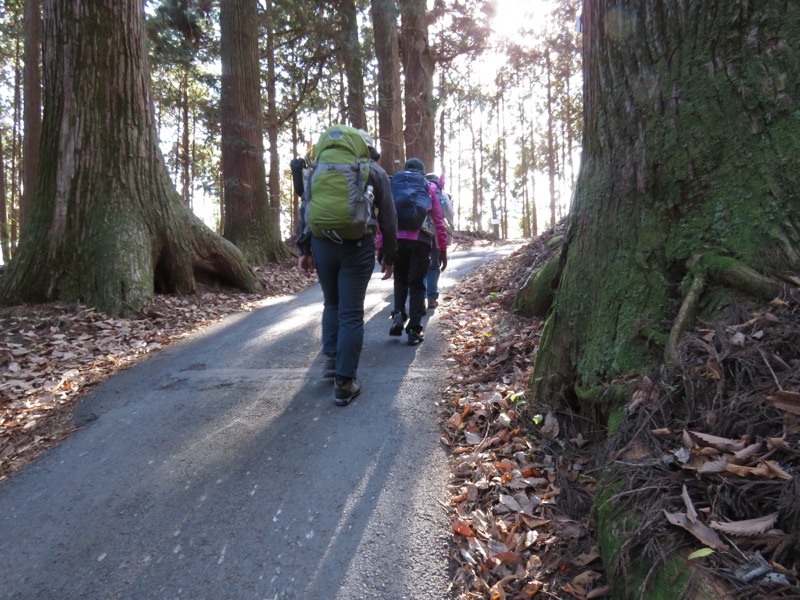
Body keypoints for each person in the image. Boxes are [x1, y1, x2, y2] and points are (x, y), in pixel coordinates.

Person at [295, 127, 397, 406]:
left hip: (322, 244)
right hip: (356, 246)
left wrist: (304, 249)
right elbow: (388, 216)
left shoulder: (318, 169)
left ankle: (331, 361)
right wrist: (389, 255)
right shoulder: (373, 171)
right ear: (365, 149)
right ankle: (345, 381)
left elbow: (305, 209)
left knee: (332, 303)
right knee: (351, 313)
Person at [386, 158, 448, 346]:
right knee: (417, 285)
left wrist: (382, 247)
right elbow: (438, 220)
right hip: (421, 241)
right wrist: (442, 249)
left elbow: (385, 216)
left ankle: (398, 314)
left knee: (400, 279)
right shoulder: (428, 186)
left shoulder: (394, 184)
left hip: (398, 240)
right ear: (422, 171)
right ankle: (414, 329)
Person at [423, 173, 454, 310]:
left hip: (418, 234)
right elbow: (450, 214)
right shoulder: (442, 193)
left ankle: (420, 297)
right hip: (435, 233)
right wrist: (450, 230)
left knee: (420, 266)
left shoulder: (420, 189)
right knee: (434, 265)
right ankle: (431, 298)